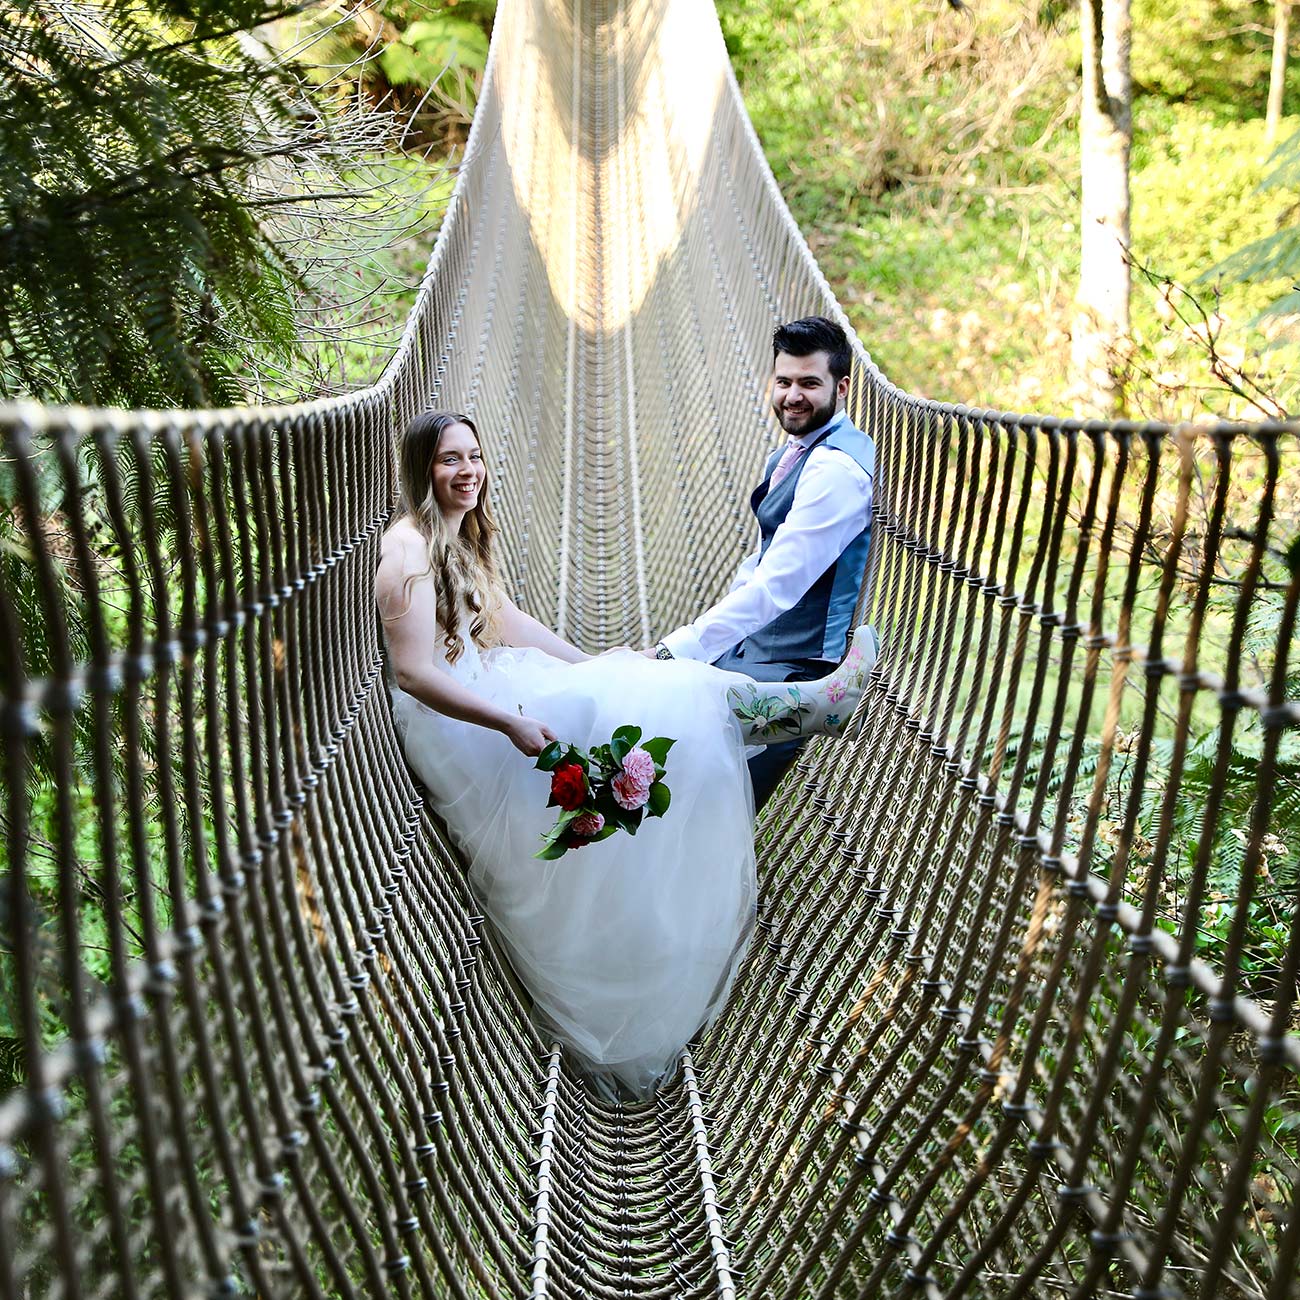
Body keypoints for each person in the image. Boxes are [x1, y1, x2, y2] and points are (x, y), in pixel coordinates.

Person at [376, 411, 874, 1098]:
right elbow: (412, 674)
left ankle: (780, 711)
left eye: (474, 457)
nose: (467, 472)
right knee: (610, 716)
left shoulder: (459, 534)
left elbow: (502, 619)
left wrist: (589, 662)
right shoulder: (405, 548)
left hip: (489, 693)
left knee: (614, 693)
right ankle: (785, 712)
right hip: (459, 724)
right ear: (418, 470)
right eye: (448, 461)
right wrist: (504, 725)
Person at [649, 316, 877, 810]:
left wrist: (679, 647)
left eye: (809, 384)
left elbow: (778, 586)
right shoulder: (791, 457)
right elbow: (760, 562)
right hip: (756, 651)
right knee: (663, 756)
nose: (793, 395)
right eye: (784, 382)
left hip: (797, 675)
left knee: (703, 805)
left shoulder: (836, 470)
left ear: (841, 387)